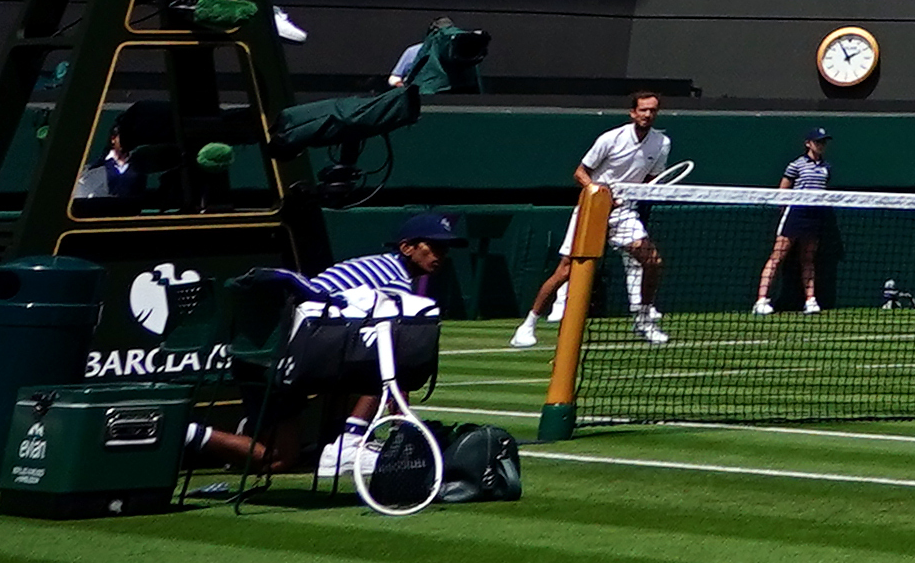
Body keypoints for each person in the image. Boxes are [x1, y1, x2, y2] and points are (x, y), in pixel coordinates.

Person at [195, 215, 456, 475]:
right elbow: (393, 359)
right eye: (433, 247)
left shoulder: (377, 266)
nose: (440, 255)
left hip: (263, 355)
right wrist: (402, 426)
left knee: (367, 357)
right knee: (279, 459)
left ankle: (273, 433)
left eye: (444, 249)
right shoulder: (394, 283)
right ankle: (348, 444)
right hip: (284, 360)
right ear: (407, 248)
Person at [521, 89, 688, 349]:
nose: (648, 114)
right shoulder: (610, 139)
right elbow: (580, 173)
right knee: (565, 270)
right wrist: (600, 195)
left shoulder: (661, 143)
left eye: (653, 110)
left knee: (652, 261)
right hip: (592, 209)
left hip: (623, 213)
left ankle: (643, 319)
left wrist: (634, 196)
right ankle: (528, 324)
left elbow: (648, 180)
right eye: (643, 110)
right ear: (633, 112)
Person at [758, 127, 841, 316]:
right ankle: (761, 300)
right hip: (795, 214)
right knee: (777, 257)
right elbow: (783, 190)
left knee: (808, 259)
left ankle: (810, 301)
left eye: (823, 142)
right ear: (808, 144)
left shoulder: (826, 167)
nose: (821, 145)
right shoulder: (796, 165)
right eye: (818, 142)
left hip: (815, 216)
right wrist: (785, 210)